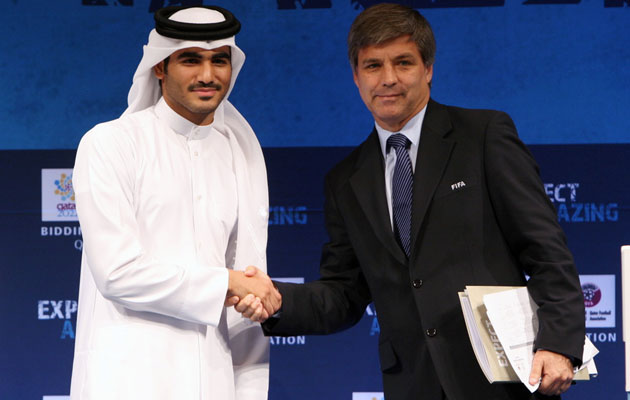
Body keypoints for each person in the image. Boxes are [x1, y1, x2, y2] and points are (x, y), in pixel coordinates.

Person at [237, 3, 585, 400]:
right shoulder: (345, 180)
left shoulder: (483, 136)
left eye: (403, 63)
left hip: (504, 381)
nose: (388, 79)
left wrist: (558, 341)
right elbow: (343, 294)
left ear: (428, 69)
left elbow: (545, 249)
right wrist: (279, 299)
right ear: (355, 77)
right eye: (373, 66)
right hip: (412, 385)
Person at [70, 6, 280, 400]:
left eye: (220, 60)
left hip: (216, 380)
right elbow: (117, 273)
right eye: (190, 60)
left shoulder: (240, 152)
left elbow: (248, 283)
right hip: (130, 379)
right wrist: (227, 283)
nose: (207, 75)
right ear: (160, 67)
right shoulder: (110, 144)